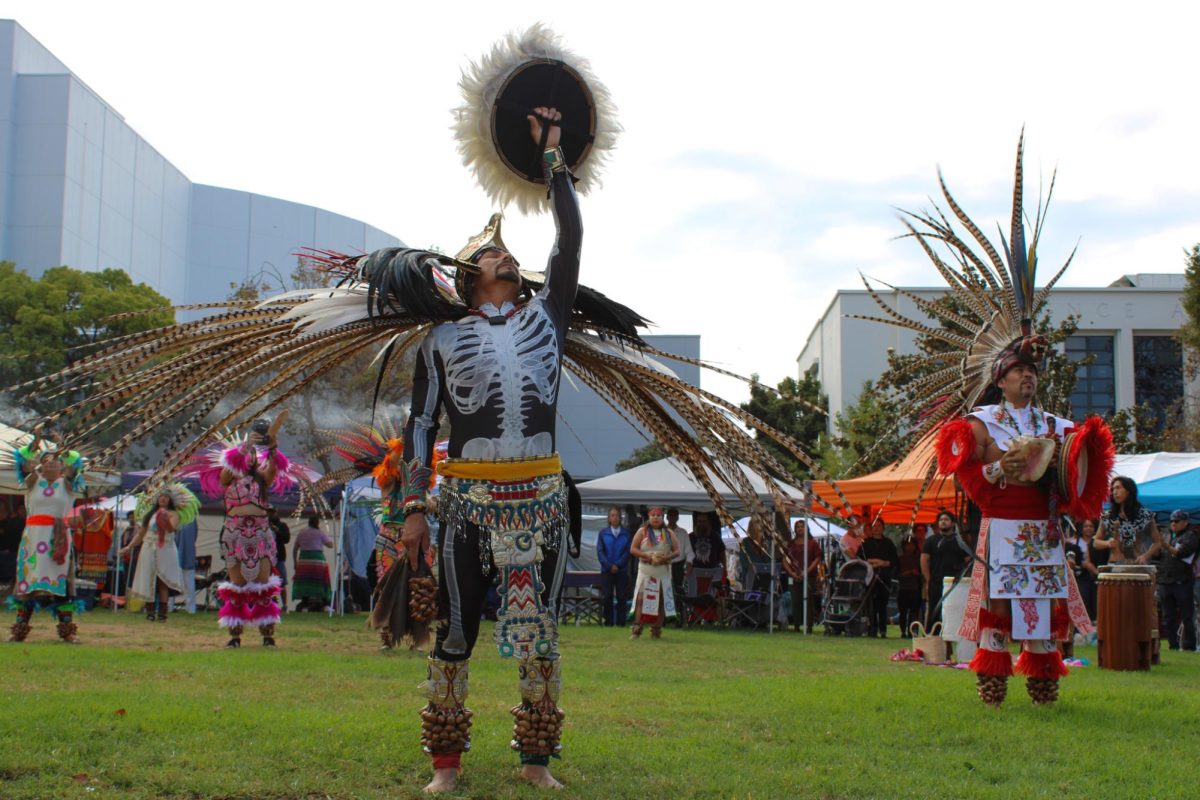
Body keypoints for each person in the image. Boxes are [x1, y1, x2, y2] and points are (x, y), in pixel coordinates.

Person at [860, 139, 1114, 706]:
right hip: (1001, 528)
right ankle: (993, 685)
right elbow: (967, 465)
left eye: (1032, 370)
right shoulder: (981, 421)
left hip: (1042, 532)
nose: (1029, 377)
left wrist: (1067, 460)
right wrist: (1003, 464)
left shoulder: (1053, 421)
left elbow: (1078, 469)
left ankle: (1045, 685)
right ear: (1001, 377)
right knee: (999, 611)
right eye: (1020, 370)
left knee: (1042, 609)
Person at [398, 107, 577, 792]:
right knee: (454, 630)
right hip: (465, 504)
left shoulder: (548, 317)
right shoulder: (440, 343)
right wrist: (413, 506)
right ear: (471, 273)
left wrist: (552, 157)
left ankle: (536, 763)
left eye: (507, 251)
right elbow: (419, 427)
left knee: (542, 635)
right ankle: (446, 767)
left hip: (541, 500)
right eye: (492, 252)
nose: (506, 254)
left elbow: (570, 236)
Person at [182, 419, 302, 649]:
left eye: (256, 453)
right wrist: (245, 446)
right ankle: (235, 636)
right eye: (249, 453)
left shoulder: (262, 478)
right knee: (236, 586)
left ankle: (267, 635)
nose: (252, 456)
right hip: (235, 533)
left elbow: (274, 468)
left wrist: (273, 447)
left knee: (263, 586)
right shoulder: (230, 475)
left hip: (260, 533)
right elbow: (225, 477)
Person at [8, 448, 81, 643]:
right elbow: (23, 463)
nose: (50, 463)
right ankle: (19, 631)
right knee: (27, 583)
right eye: (46, 460)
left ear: (61, 466)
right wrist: (36, 442)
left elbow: (75, 465)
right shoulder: (33, 482)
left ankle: (67, 632)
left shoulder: (67, 484)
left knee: (61, 583)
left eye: (55, 460)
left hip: (56, 540)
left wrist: (63, 446)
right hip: (33, 539)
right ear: (39, 464)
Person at [121, 488, 197, 622]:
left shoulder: (173, 514)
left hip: (165, 550)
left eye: (166, 497)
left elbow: (170, 529)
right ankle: (150, 612)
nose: (163, 498)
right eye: (161, 496)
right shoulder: (149, 514)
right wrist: (128, 547)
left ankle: (163, 614)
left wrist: (164, 518)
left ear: (170, 500)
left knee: (163, 582)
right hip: (149, 549)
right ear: (156, 498)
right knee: (148, 579)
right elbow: (140, 534)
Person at [629, 507, 679, 639]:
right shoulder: (642, 531)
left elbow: (677, 551)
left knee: (661, 600)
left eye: (658, 515)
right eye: (653, 515)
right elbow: (633, 549)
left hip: (662, 570)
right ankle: (636, 629)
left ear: (662, 518)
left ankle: (656, 630)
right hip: (645, 570)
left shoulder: (668, 533)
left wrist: (666, 558)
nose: (656, 518)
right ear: (649, 518)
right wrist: (647, 556)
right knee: (640, 599)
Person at [1095, 476, 1163, 565]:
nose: (1114, 492)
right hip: (1114, 566)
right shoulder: (1108, 516)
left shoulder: (1145, 515)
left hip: (1137, 566)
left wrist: (1145, 556)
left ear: (1129, 490)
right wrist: (1108, 543)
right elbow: (1096, 542)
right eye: (1112, 489)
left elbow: (1158, 542)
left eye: (1118, 488)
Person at [921, 510, 970, 630]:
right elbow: (924, 560)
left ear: (953, 523)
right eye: (941, 520)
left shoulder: (960, 541)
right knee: (934, 610)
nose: (943, 522)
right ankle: (932, 637)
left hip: (956, 583)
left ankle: (953, 634)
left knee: (954, 609)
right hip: (936, 582)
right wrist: (928, 580)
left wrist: (965, 578)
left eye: (946, 520)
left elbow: (969, 561)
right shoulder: (931, 541)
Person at [1156, 510, 1197, 651]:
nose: (1173, 523)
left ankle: (1189, 646)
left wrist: (1165, 545)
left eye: (1176, 521)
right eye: (1171, 521)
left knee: (1187, 616)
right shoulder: (1168, 535)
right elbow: (1159, 554)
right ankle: (1172, 645)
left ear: (1185, 522)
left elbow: (1181, 553)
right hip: (1165, 581)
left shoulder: (1191, 536)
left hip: (1182, 582)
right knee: (1168, 617)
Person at [859, 520, 899, 638]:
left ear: (883, 528)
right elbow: (861, 558)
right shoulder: (866, 543)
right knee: (871, 604)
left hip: (884, 576)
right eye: (874, 526)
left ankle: (883, 630)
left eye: (878, 526)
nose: (876, 528)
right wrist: (872, 563)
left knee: (882, 604)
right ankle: (872, 628)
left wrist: (882, 563)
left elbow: (893, 561)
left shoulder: (888, 543)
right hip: (870, 577)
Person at [784, 519, 823, 633]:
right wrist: (791, 573)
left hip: (809, 576)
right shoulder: (790, 543)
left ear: (806, 528)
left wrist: (807, 571)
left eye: (802, 526)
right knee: (795, 601)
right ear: (795, 529)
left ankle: (809, 626)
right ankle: (796, 626)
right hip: (793, 576)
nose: (800, 528)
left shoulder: (812, 543)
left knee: (808, 600)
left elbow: (817, 558)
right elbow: (784, 559)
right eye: (797, 526)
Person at [596, 507, 632, 627]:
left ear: (620, 518)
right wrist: (609, 565)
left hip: (621, 570)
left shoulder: (626, 533)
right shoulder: (603, 533)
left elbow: (628, 551)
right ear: (609, 518)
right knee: (607, 596)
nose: (615, 517)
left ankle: (621, 621)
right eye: (612, 515)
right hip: (607, 570)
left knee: (622, 596)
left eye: (617, 515)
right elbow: (600, 552)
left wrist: (618, 564)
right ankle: (609, 622)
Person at [292, 516, 334, 611]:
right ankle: (325, 604)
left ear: (309, 523)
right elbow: (330, 545)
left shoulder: (302, 532)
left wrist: (295, 562)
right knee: (322, 581)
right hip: (317, 560)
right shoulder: (320, 532)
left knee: (305, 581)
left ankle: (305, 604)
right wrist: (329, 539)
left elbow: (295, 548)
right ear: (317, 523)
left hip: (304, 561)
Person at [1075, 518, 1101, 622]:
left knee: (1097, 602)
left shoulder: (1099, 542)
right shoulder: (1074, 541)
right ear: (1081, 528)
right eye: (1086, 526)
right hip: (1081, 576)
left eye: (1091, 526)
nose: (1088, 529)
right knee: (1084, 599)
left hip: (1096, 576)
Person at [896, 537, 922, 635]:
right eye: (907, 545)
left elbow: (922, 573)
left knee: (914, 612)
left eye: (912, 545)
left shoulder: (918, 559)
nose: (909, 547)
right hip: (903, 588)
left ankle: (912, 631)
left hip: (915, 588)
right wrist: (904, 574)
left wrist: (916, 573)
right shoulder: (899, 559)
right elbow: (895, 574)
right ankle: (903, 631)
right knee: (902, 612)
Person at [666, 507, 694, 600]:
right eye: (671, 516)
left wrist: (689, 562)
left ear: (677, 518)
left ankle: (680, 613)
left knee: (679, 593)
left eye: (675, 516)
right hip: (664, 565)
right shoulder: (662, 531)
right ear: (667, 517)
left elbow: (689, 551)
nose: (673, 518)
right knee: (665, 591)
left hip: (678, 566)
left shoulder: (683, 532)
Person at [269, 506, 291, 610]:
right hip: (266, 559)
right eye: (269, 513)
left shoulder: (282, 526)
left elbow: (286, 539)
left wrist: (277, 531)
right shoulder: (263, 526)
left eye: (272, 512)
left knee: (282, 582)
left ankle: (285, 605)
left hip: (279, 558)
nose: (271, 515)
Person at [176, 516, 199, 613]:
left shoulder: (191, 518)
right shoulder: (173, 513)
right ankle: (168, 606)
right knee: (171, 580)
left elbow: (194, 535)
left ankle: (191, 608)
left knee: (188, 581)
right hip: (174, 552)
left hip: (187, 553)